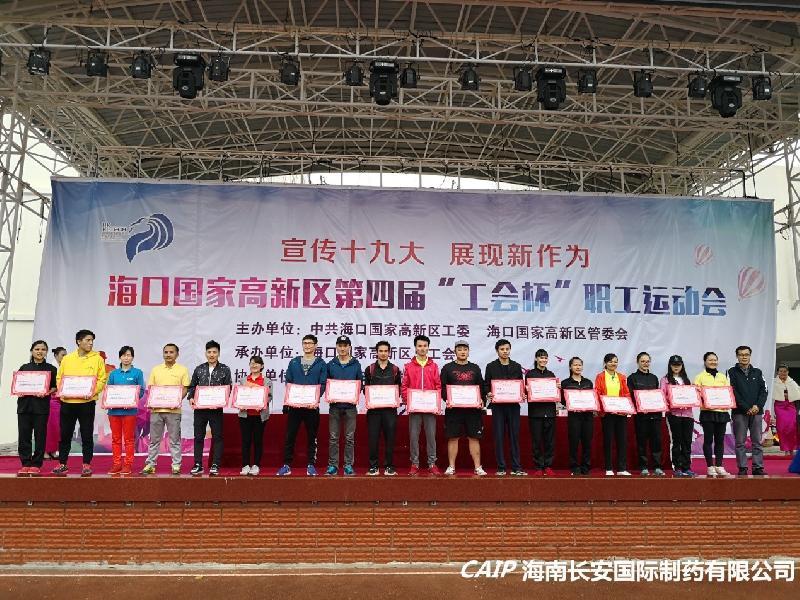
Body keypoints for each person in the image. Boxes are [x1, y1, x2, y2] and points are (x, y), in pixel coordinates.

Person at [52, 330, 108, 477]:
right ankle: (62, 463)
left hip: (87, 402)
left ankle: (86, 464)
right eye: (88, 340)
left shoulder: (97, 359)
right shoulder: (67, 359)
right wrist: (63, 390)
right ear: (79, 341)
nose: (91, 343)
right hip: (68, 402)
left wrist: (91, 391)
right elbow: (59, 378)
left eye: (92, 341)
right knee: (65, 434)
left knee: (87, 434)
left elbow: (102, 379)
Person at [277, 334, 327, 477]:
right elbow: (288, 382)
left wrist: (315, 399)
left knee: (312, 437)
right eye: (305, 343)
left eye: (310, 343)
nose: (307, 345)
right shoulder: (294, 362)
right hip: (295, 407)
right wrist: (289, 400)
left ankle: (311, 465)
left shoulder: (321, 363)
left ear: (316, 345)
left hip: (312, 407)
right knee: (290, 436)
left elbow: (323, 384)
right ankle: (287, 465)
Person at [141, 343, 190, 476]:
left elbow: (185, 388)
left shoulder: (182, 370)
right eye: (166, 352)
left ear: (177, 354)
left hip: (174, 411)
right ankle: (150, 465)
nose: (168, 355)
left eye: (171, 352)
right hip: (156, 410)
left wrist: (176, 401)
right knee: (154, 440)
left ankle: (176, 465)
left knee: (174, 439)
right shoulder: (156, 369)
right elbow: (151, 389)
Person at [440, 340, 487, 476]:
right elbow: (442, 387)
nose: (462, 352)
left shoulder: (475, 368)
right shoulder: (447, 368)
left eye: (465, 349)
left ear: (468, 351)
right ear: (455, 351)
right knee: (453, 437)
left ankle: (478, 467)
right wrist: (448, 399)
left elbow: (481, 386)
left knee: (474, 437)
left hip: (473, 410)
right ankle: (451, 466)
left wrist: (482, 400)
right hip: (454, 410)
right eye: (459, 349)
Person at [188, 340, 232, 477]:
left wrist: (222, 399)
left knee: (217, 437)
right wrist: (191, 397)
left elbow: (228, 388)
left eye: (214, 352)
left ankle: (215, 464)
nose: (212, 354)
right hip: (200, 409)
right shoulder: (199, 368)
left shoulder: (225, 369)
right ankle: (198, 464)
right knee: (198, 436)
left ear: (219, 353)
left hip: (216, 409)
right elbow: (192, 386)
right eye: (209, 352)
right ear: (205, 353)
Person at [401, 334, 442, 476]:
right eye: (419, 346)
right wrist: (408, 401)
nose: (422, 348)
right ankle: (414, 463)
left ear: (428, 348)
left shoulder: (434, 366)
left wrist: (436, 404)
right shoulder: (408, 366)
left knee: (431, 436)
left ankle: (432, 463)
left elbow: (438, 386)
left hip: (430, 408)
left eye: (425, 346)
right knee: (414, 436)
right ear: (415, 348)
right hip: (415, 407)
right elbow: (404, 386)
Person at [483, 339, 525, 476]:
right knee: (499, 436)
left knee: (514, 436)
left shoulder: (516, 366)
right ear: (497, 351)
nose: (505, 351)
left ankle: (516, 467)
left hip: (513, 406)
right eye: (502, 349)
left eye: (507, 349)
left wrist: (522, 393)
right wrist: (488, 393)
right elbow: (486, 384)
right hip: (498, 407)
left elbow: (520, 384)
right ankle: (501, 467)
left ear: (510, 350)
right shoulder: (491, 366)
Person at [16, 340, 58, 476]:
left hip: (41, 408)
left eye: (43, 349)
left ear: (46, 352)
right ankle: (25, 463)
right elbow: (17, 385)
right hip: (24, 407)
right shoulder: (24, 367)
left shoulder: (51, 369)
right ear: (32, 351)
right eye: (37, 349)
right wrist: (18, 391)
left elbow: (55, 387)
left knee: (40, 436)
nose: (40, 352)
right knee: (24, 436)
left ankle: (36, 464)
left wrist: (47, 392)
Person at [728, 345, 768, 477]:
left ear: (750, 356)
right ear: (737, 356)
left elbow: (764, 391)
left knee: (757, 442)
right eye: (741, 355)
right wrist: (746, 408)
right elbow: (732, 391)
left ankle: (758, 467)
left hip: (757, 412)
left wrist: (758, 406)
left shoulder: (758, 372)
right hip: (739, 413)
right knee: (740, 442)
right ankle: (742, 468)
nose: (744, 357)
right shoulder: (731, 372)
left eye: (746, 354)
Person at [325, 335, 363, 477]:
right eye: (340, 345)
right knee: (333, 437)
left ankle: (348, 465)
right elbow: (326, 383)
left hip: (350, 407)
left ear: (349, 347)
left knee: (349, 437)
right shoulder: (331, 364)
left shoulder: (356, 364)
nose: (342, 348)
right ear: (336, 347)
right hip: (335, 406)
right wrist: (331, 394)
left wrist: (352, 394)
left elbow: (360, 384)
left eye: (345, 346)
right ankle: (333, 465)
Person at [105, 346, 145, 476]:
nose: (126, 358)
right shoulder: (113, 373)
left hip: (130, 412)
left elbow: (141, 391)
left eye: (129, 355)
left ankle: (128, 464)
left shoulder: (137, 373)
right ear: (120, 357)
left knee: (129, 439)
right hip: (114, 412)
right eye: (124, 355)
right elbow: (109, 391)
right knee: (116, 439)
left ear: (132, 357)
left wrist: (131, 401)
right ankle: (117, 464)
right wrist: (110, 401)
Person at [364, 340, 402, 476]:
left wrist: (391, 398)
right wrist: (374, 397)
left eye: (386, 351)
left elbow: (399, 389)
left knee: (390, 439)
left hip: (390, 411)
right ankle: (373, 466)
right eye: (381, 351)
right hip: (374, 411)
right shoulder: (370, 369)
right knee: (373, 439)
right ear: (376, 352)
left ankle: (389, 466)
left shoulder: (395, 369)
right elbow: (366, 389)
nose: (383, 353)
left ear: (389, 352)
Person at [694, 351, 732, 478]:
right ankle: (710, 466)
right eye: (710, 360)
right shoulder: (699, 377)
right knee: (708, 440)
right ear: (705, 362)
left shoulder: (723, 377)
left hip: (722, 412)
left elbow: (728, 393)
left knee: (720, 440)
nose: (713, 362)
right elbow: (696, 394)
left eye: (715, 360)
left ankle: (719, 466)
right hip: (707, 413)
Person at [627, 352, 665, 477]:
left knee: (656, 441)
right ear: (637, 362)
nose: (645, 363)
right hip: (641, 416)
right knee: (641, 442)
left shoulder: (654, 378)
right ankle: (643, 467)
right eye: (642, 361)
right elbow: (631, 396)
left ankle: (657, 467)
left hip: (656, 415)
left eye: (647, 361)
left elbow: (658, 395)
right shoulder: (632, 378)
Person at [594, 353, 631, 477]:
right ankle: (609, 467)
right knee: (608, 440)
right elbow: (598, 393)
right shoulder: (600, 376)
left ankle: (621, 468)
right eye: (610, 361)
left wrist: (625, 406)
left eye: (615, 361)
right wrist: (604, 407)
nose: (613, 364)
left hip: (621, 413)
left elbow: (626, 393)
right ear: (605, 363)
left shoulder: (621, 377)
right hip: (607, 413)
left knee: (622, 440)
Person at [661, 355, 696, 478]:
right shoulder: (665, 380)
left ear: (682, 365)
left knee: (687, 441)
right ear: (670, 366)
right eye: (674, 365)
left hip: (688, 415)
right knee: (676, 441)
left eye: (678, 365)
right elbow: (662, 396)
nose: (676, 367)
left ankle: (687, 466)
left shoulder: (686, 380)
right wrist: (672, 400)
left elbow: (692, 396)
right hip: (673, 414)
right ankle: (677, 467)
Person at [525, 348, 558, 477]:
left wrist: (557, 388)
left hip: (550, 412)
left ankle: (548, 465)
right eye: (541, 357)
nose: (543, 360)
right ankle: (539, 466)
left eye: (545, 358)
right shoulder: (530, 375)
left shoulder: (551, 375)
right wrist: (527, 390)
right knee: (536, 441)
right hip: (535, 413)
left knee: (549, 441)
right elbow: (526, 393)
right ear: (536, 359)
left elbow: (555, 394)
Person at [238, 356, 272, 476]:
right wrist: (240, 403)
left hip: (260, 416)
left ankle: (256, 465)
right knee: (246, 441)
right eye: (252, 363)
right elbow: (239, 395)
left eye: (257, 363)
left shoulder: (266, 380)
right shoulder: (243, 380)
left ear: (262, 366)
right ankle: (245, 465)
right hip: (245, 415)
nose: (254, 365)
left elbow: (269, 396)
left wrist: (262, 404)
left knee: (258, 441)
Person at [561, 357, 595, 476]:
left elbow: (592, 398)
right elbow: (563, 400)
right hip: (574, 417)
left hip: (588, 417)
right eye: (575, 365)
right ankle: (574, 466)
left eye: (580, 365)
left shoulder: (588, 382)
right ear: (570, 367)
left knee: (587, 443)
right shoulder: (565, 383)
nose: (578, 367)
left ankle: (586, 466)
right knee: (574, 442)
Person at [44, 346, 67, 460]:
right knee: (50, 426)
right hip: (51, 400)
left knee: (57, 427)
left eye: (66, 355)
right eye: (63, 355)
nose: (65, 357)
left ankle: (53, 450)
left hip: (61, 399)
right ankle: (45, 451)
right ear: (56, 355)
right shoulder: (51, 368)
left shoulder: (65, 367)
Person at [772, 364, 800, 454]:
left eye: (785, 371)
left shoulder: (792, 382)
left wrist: (788, 395)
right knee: (782, 428)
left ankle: (791, 449)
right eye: (781, 371)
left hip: (790, 406)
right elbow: (771, 394)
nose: (783, 373)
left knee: (792, 427)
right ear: (778, 372)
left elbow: (797, 394)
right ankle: (786, 449)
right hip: (779, 407)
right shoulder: (774, 382)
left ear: (788, 372)